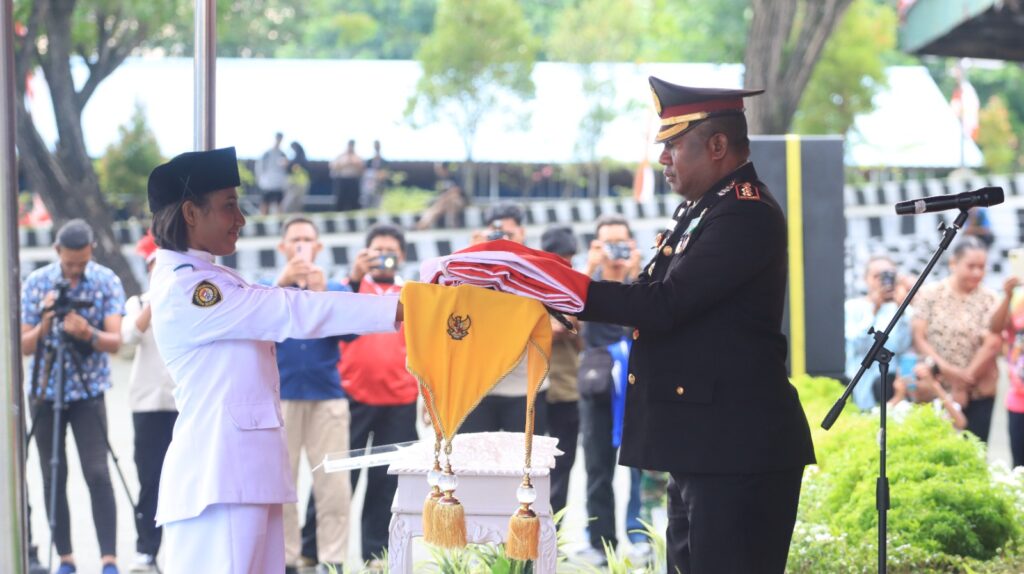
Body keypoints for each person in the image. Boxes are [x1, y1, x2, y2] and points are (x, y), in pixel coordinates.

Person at [576, 77, 815, 573]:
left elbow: (666, 303)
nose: (663, 158)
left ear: (718, 145)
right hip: (706, 446)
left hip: (738, 450)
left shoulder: (745, 213)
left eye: (672, 145)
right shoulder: (705, 209)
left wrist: (573, 291)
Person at [145, 147, 403, 574]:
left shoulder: (209, 277)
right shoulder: (190, 290)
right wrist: (399, 307)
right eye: (229, 206)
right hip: (220, 482)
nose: (241, 219)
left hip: (242, 478)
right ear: (191, 213)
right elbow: (294, 310)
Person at [21, 218, 126, 574]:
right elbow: (22, 345)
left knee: (97, 472)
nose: (75, 271)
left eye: (81, 263)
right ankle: (65, 558)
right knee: (53, 475)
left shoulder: (106, 280)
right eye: (69, 264)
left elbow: (116, 341)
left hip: (87, 391)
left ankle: (108, 559)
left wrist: (89, 334)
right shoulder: (36, 284)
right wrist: (45, 324)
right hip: (45, 389)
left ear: (91, 251)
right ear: (56, 252)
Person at [269, 217, 353, 574]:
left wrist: (323, 296)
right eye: (295, 239)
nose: (301, 245)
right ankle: (285, 559)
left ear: (318, 247)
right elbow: (257, 326)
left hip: (327, 397)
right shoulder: (266, 288)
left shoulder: (336, 288)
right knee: (281, 484)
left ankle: (331, 560)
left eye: (308, 239)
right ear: (283, 247)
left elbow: (354, 332)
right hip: (281, 397)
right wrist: (282, 283)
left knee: (333, 485)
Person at [340, 223, 420, 564]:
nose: (385, 257)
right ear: (365, 255)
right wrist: (355, 279)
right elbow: (336, 321)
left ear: (401, 256)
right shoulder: (350, 289)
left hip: (399, 403)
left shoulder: (414, 295)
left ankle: (376, 557)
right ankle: (318, 552)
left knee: (385, 486)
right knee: (340, 482)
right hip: (353, 398)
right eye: (377, 251)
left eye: (391, 251)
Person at [575, 214, 641, 566]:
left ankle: (639, 535)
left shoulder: (643, 283)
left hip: (639, 386)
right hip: (598, 386)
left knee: (642, 466)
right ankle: (600, 542)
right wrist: (588, 267)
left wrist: (635, 272)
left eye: (622, 242)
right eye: (607, 243)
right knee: (598, 467)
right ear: (596, 246)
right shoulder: (588, 284)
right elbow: (566, 317)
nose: (615, 251)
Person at [460, 204, 548, 435]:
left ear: (523, 233)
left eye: (510, 235)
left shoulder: (538, 266)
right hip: (476, 388)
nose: (504, 241)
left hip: (525, 387)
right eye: (498, 235)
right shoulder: (470, 264)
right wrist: (472, 254)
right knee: (470, 466)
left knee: (525, 466)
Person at [121, 232, 177, 573]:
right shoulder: (138, 303)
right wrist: (155, 303)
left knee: (186, 478)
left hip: (182, 405)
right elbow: (128, 339)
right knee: (149, 480)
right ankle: (146, 550)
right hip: (147, 405)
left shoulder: (188, 301)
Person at [912, 237, 1001, 442]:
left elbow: (993, 343)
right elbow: (919, 337)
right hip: (935, 388)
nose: (977, 272)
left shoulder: (990, 298)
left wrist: (962, 383)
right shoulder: (931, 294)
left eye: (982, 267)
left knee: (975, 448)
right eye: (971, 266)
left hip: (977, 391)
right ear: (954, 263)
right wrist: (949, 371)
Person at [538, 226, 583, 518]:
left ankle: (555, 533)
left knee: (563, 464)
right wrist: (547, 332)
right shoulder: (527, 287)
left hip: (568, 387)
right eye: (559, 260)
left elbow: (584, 342)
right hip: (535, 389)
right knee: (531, 464)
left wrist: (574, 325)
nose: (564, 267)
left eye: (568, 260)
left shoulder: (576, 287)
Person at [845, 255, 913, 410]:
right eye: (877, 276)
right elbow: (856, 345)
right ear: (866, 279)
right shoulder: (853, 307)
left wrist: (901, 312)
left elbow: (902, 347)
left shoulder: (903, 310)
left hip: (891, 391)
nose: (883, 281)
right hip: (860, 390)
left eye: (889, 275)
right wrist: (873, 310)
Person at [989, 275, 1024, 466]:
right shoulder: (1018, 299)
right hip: (1019, 401)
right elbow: (995, 328)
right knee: (1019, 467)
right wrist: (1008, 296)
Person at [887, 358, 968, 430]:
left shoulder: (942, 403)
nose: (915, 383)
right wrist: (898, 396)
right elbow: (877, 421)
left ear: (936, 379)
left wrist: (935, 386)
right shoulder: (903, 407)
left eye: (919, 378)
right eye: (911, 377)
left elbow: (961, 423)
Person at [255, 132, 289, 215]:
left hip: (279, 184)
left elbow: (286, 169)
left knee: (279, 205)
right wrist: (260, 180)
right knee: (265, 204)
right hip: (268, 183)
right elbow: (260, 168)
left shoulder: (283, 154)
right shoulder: (267, 153)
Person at [329, 139, 364, 211]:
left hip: (353, 180)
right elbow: (333, 167)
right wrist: (345, 163)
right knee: (340, 199)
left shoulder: (357, 157)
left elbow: (362, 169)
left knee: (354, 199)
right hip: (342, 180)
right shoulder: (340, 156)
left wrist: (354, 163)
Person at [360, 140, 388, 209]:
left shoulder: (384, 162)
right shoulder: (369, 162)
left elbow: (385, 174)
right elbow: (364, 173)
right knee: (366, 205)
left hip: (379, 187)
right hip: (369, 187)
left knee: (378, 205)